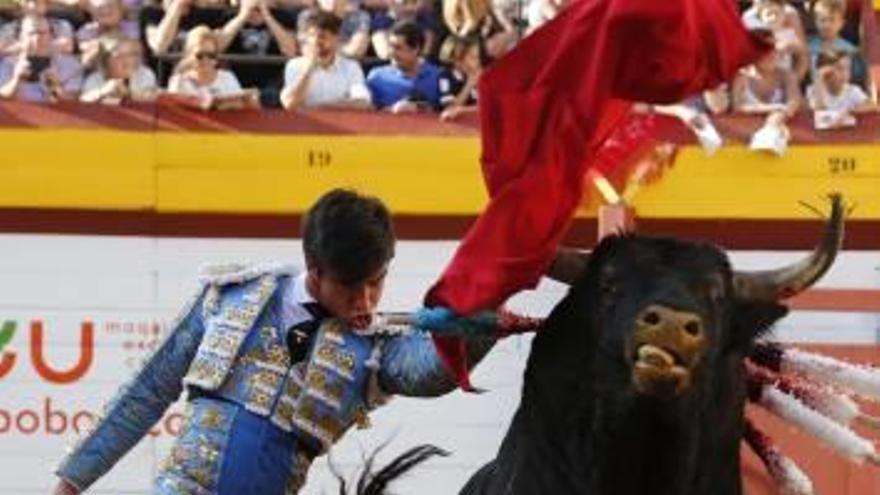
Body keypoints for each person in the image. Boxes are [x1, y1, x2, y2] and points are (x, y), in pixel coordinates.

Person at [52, 188, 521, 495]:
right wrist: (71, 482)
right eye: (349, 286)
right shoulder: (231, 296)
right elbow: (149, 389)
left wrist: (482, 312)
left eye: (376, 283)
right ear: (314, 269)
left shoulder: (374, 348)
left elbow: (430, 372)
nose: (366, 300)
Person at [280, 10, 371, 110]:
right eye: (312, 36)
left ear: (336, 39)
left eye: (323, 37)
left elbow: (362, 102)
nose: (316, 42)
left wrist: (319, 108)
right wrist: (309, 69)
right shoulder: (295, 65)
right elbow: (290, 103)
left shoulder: (351, 67)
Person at [166, 25, 259, 109]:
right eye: (200, 55)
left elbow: (241, 106)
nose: (206, 60)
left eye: (211, 55)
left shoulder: (227, 78)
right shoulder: (179, 81)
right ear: (189, 55)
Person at [366, 20, 444, 112]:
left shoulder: (439, 76)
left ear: (415, 49)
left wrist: (421, 108)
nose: (391, 52)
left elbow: (449, 110)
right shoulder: (377, 77)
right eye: (390, 46)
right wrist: (393, 110)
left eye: (398, 48)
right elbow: (367, 112)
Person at [0, 14, 82, 102]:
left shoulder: (69, 65)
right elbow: (3, 103)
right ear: (21, 38)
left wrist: (53, 86)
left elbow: (73, 106)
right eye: (31, 34)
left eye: (42, 33)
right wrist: (16, 80)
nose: (37, 38)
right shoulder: (7, 63)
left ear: (51, 36)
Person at [80, 37, 158, 103]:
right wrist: (103, 92)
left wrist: (128, 93)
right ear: (106, 61)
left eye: (131, 54)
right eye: (119, 56)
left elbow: (149, 98)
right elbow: (83, 101)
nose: (127, 60)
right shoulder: (95, 78)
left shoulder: (144, 74)